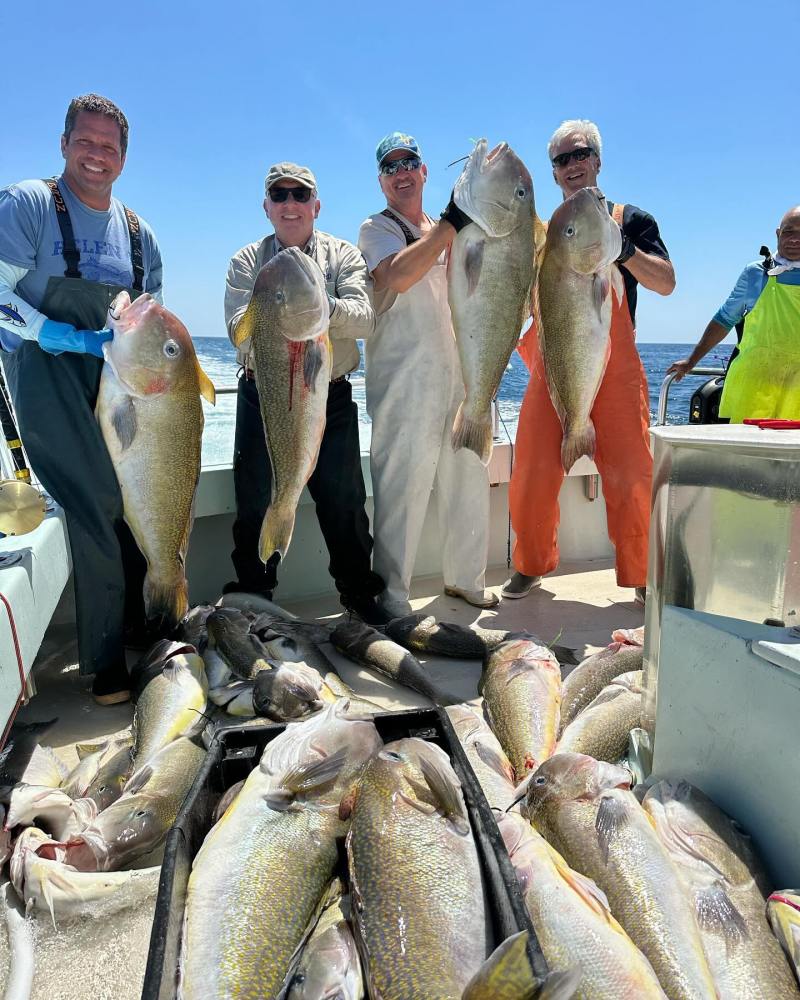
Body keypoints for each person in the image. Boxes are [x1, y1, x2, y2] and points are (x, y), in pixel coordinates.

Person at [0, 93, 163, 705]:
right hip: (45, 376)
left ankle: (145, 628)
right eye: (86, 142)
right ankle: (105, 664)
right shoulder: (30, 204)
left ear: (124, 158)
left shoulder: (140, 234)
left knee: (134, 493)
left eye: (110, 147)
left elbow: (152, 317)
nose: (97, 156)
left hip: (112, 379)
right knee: (96, 500)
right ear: (64, 144)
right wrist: (55, 332)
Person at [504, 119, 675, 605]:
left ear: (598, 161)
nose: (572, 165)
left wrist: (622, 249)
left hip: (612, 366)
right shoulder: (537, 232)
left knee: (632, 474)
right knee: (532, 472)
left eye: (580, 154)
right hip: (550, 360)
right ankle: (530, 566)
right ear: (553, 172)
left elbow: (665, 282)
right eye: (561, 159)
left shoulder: (631, 219)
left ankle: (641, 575)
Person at [224, 162, 387, 624]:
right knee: (255, 501)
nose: (290, 204)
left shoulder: (343, 256)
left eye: (301, 195)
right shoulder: (244, 262)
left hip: (328, 396)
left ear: (316, 205)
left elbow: (365, 318)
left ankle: (360, 599)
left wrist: (316, 305)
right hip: (264, 395)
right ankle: (256, 602)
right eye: (280, 195)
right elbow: (238, 330)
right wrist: (276, 303)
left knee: (345, 503)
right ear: (267, 208)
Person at [358, 132, 497, 619]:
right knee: (402, 489)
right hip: (405, 383)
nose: (401, 174)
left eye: (409, 163)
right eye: (390, 167)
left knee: (468, 479)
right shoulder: (377, 228)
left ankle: (466, 581)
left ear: (424, 171)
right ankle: (393, 596)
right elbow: (395, 276)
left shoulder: (455, 227)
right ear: (381, 180)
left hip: (464, 375)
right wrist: (448, 228)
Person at [668, 206, 800, 421]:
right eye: (789, 231)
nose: (795, 239)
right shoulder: (756, 273)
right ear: (778, 234)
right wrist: (692, 360)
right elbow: (724, 319)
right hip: (753, 388)